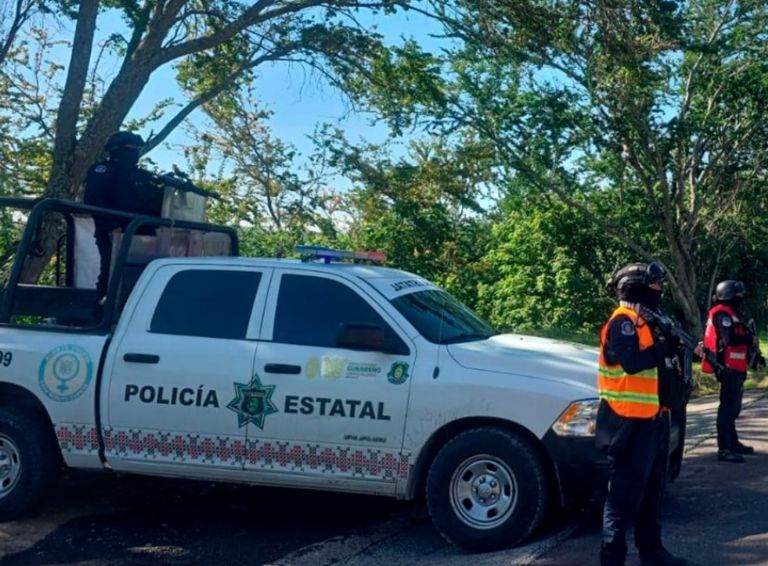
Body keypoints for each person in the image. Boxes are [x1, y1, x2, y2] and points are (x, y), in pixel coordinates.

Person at [596, 262, 687, 566]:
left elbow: (660, 368)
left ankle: (652, 551)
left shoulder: (647, 322)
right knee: (621, 499)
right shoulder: (622, 323)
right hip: (627, 424)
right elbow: (633, 362)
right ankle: (612, 558)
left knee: (652, 492)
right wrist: (662, 348)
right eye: (654, 285)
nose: (659, 290)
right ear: (636, 288)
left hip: (654, 420)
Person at [83, 131, 163, 295]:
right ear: (117, 149)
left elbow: (155, 203)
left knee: (142, 276)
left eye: (136, 148)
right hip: (115, 234)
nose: (134, 152)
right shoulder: (103, 170)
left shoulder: (142, 175)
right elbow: (94, 200)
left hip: (145, 235)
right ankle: (102, 315)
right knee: (112, 275)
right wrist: (112, 227)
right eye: (131, 148)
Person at [701, 280, 759, 463]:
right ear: (728, 296)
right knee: (727, 409)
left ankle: (733, 442)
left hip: (736, 366)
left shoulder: (732, 314)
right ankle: (724, 448)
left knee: (733, 408)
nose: (740, 298)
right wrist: (750, 339)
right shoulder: (722, 314)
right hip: (727, 367)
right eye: (737, 295)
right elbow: (729, 339)